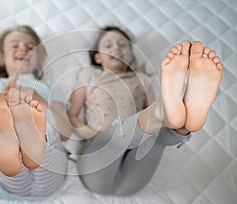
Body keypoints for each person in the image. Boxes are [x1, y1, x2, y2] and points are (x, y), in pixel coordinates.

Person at [67, 26, 223, 195]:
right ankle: (164, 115)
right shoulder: (90, 75)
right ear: (97, 57)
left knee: (156, 135)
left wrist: (160, 119)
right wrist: (95, 135)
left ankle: (182, 125)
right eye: (109, 45)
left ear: (130, 54)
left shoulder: (142, 79)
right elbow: (72, 115)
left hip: (136, 161)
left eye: (123, 45)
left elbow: (156, 115)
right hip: (100, 153)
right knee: (117, 137)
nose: (117, 48)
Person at [0, 25, 69, 200]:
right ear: (1, 58)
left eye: (30, 47)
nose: (23, 48)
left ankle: (29, 136)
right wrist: (1, 103)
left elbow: (66, 133)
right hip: (12, 181)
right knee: (4, 123)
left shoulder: (49, 88)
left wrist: (39, 99)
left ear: (38, 60)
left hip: (50, 172)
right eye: (14, 45)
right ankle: (14, 140)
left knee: (48, 125)